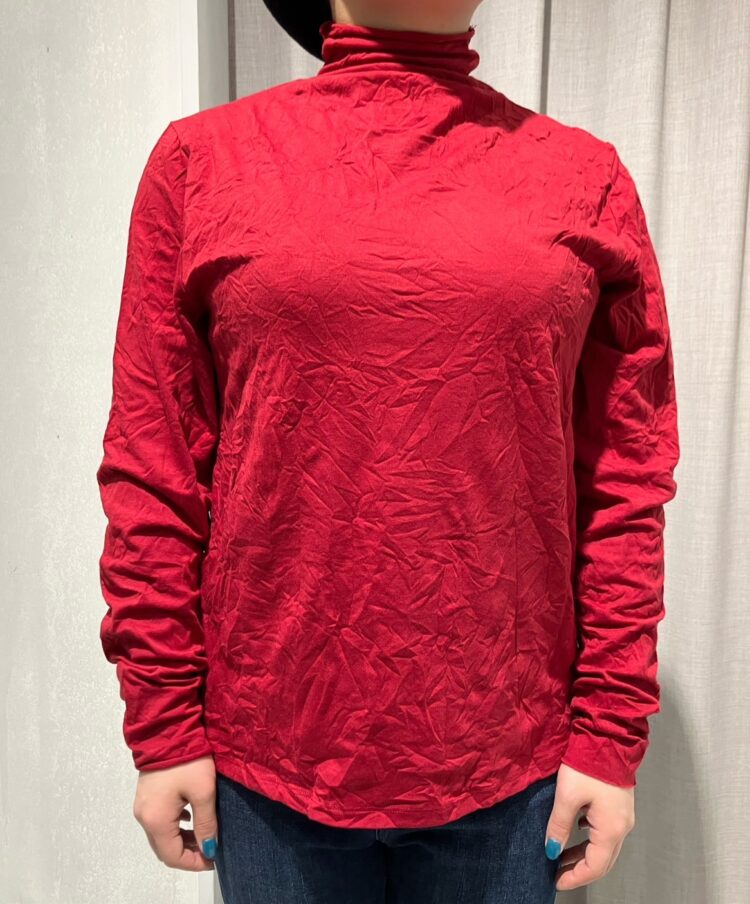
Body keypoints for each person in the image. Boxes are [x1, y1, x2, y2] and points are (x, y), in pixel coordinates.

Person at [95, 0, 680, 901]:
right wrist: (163, 719)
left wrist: (609, 728)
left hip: (511, 763)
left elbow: (624, 476)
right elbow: (155, 459)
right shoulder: (200, 164)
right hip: (270, 761)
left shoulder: (583, 179)